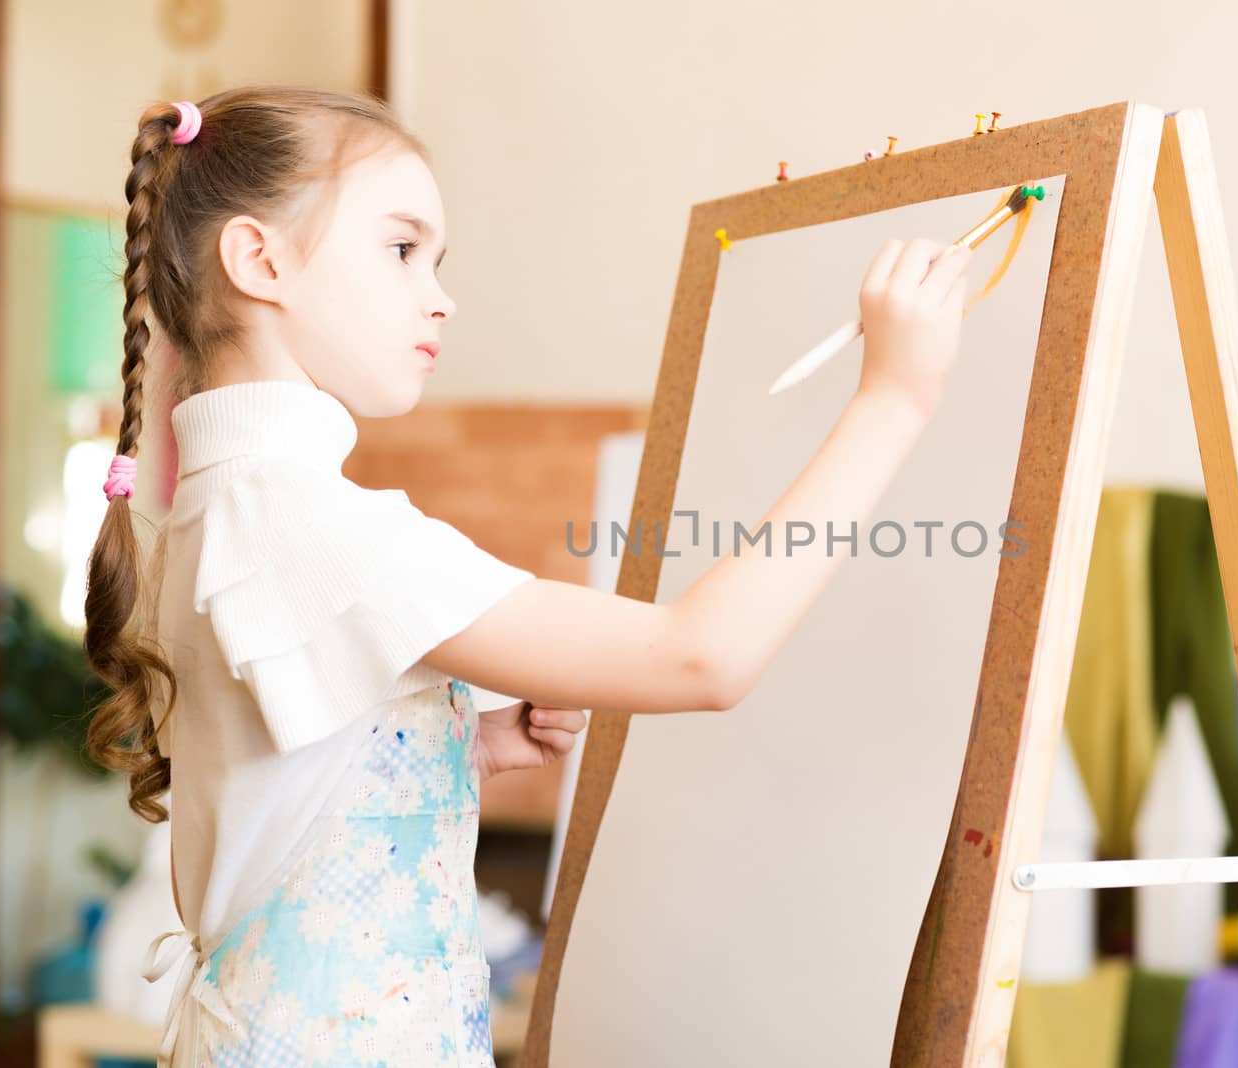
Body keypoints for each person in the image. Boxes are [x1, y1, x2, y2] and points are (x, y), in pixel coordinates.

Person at [81, 85, 972, 1066]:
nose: (440, 293)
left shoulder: (217, 510)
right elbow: (702, 657)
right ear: (259, 260)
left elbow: (271, 785)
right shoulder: (326, 527)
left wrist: (451, 746)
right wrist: (895, 395)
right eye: (401, 247)